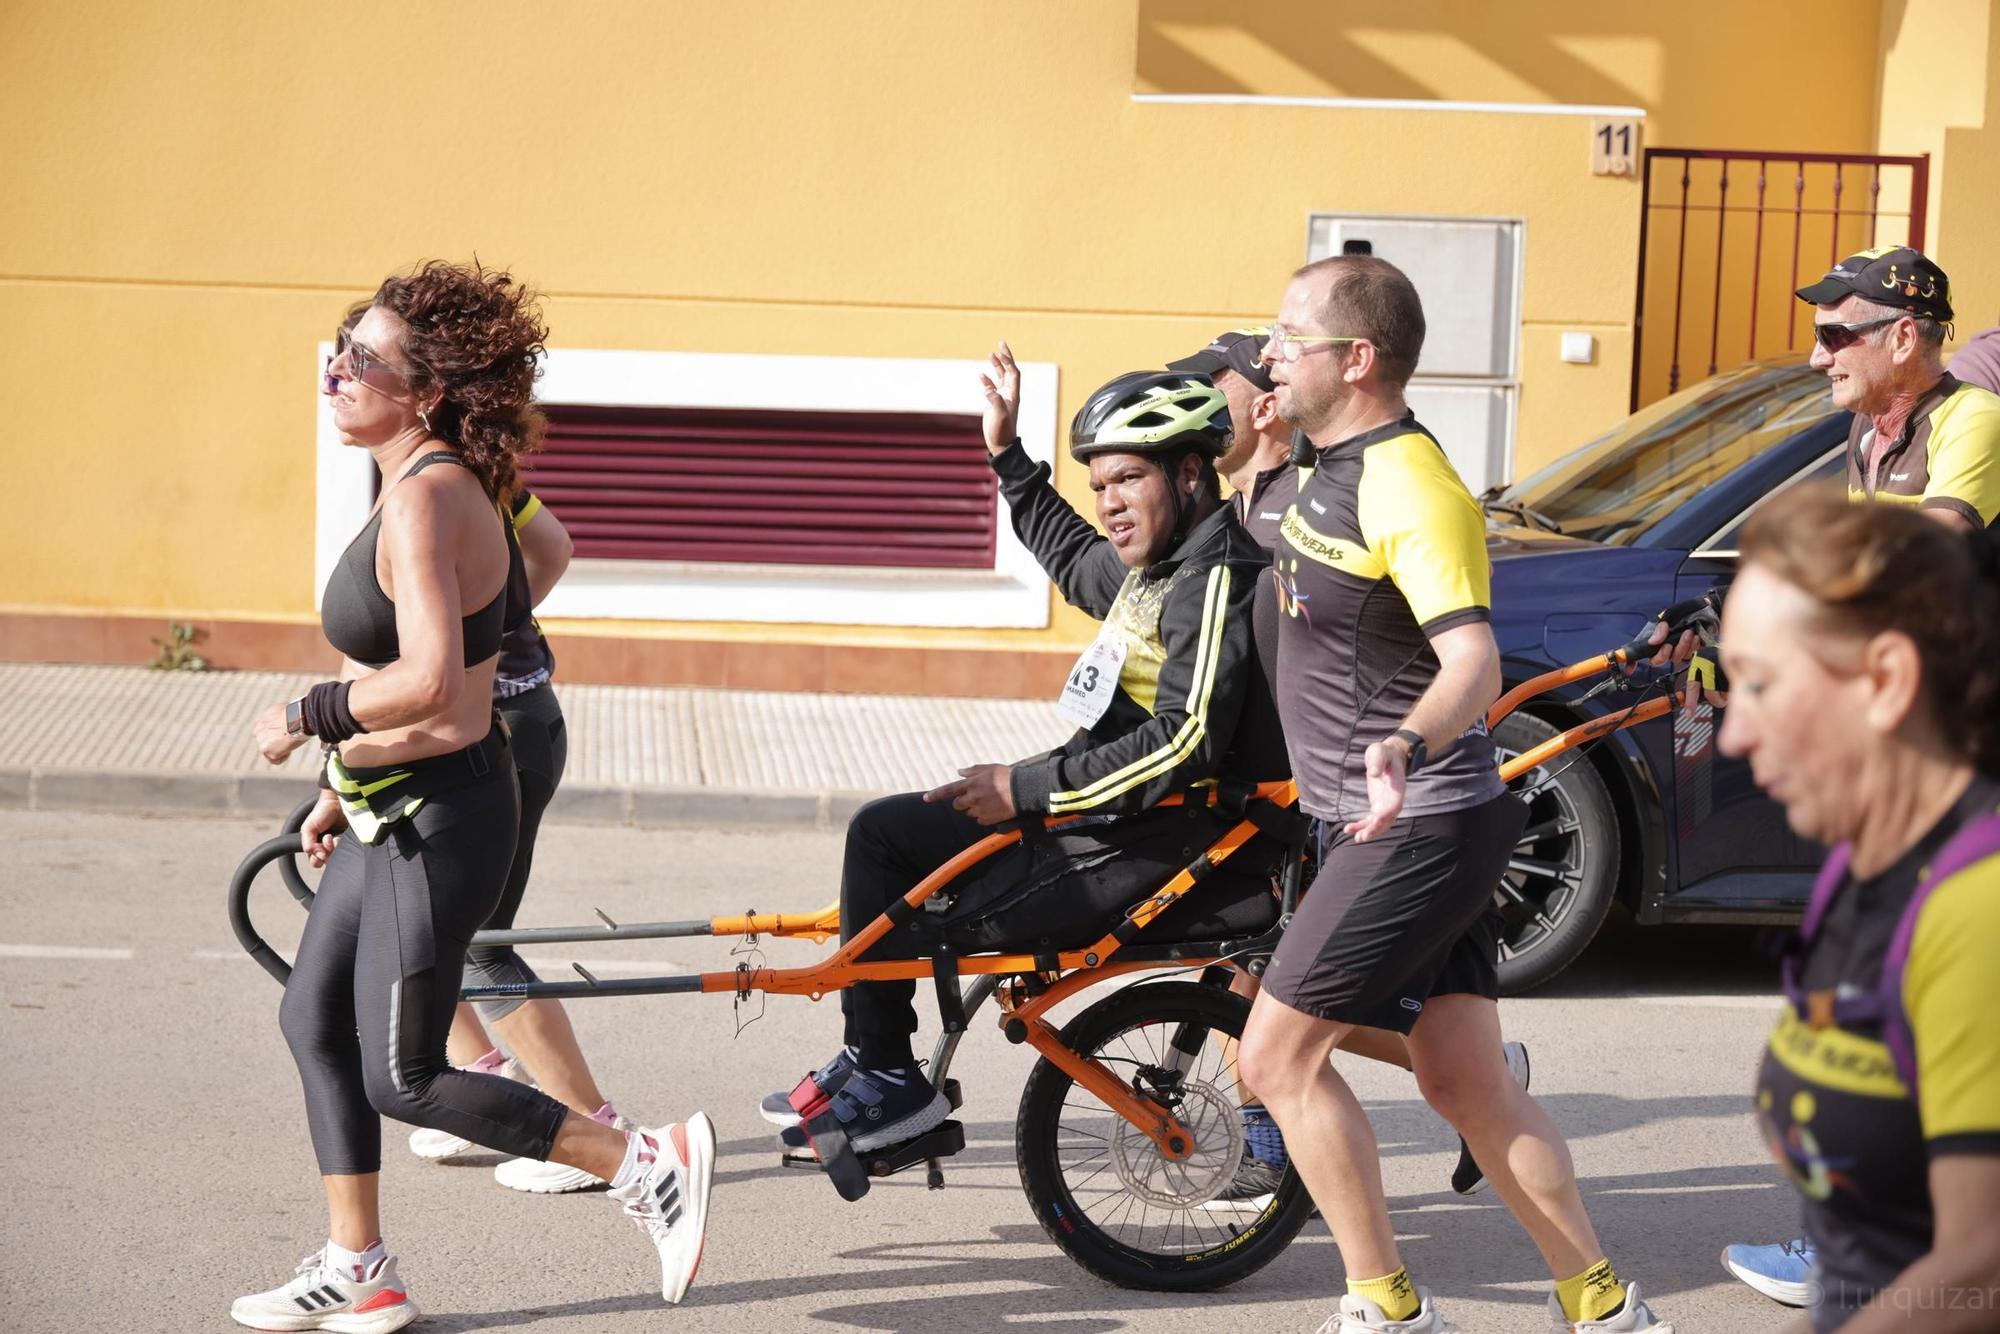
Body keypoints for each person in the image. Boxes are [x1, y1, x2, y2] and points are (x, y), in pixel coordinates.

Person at [242, 262, 711, 1329]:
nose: (337, 369)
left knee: (404, 1074)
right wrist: (337, 781)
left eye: (364, 358)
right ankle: (357, 1263)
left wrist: (309, 717)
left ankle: (641, 1159)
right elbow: (450, 688)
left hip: (439, 816)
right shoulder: (424, 481)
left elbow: (436, 700)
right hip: (392, 802)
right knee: (313, 1018)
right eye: (338, 345)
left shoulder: (428, 495)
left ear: (428, 392)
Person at [1234, 255, 1672, 1333]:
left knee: (1274, 1056)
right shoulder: (1320, 466)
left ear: (1359, 358)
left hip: (1415, 820)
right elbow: (1280, 544)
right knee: (1466, 1083)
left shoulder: (1406, 480)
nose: (1268, 351)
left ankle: (1383, 1305)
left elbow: (1470, 659)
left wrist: (1402, 742)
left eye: (1291, 335)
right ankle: (1603, 1304)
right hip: (1406, 822)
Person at [759, 351, 1290, 1153]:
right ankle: (881, 1063)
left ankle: (888, 1080)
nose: (1109, 503)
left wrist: (1026, 787)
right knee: (887, 835)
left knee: (925, 893)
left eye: (1125, 481)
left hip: (1160, 841)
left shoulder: (1215, 578)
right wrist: (1008, 457)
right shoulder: (1162, 566)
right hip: (1108, 816)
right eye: (1099, 486)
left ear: (1188, 475)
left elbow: (1185, 740)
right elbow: (1079, 564)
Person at [1167, 327, 1531, 1206]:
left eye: (1207, 391)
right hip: (1302, 787)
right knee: (1253, 981)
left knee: (1257, 995)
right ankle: (1576, 1286)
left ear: (1263, 405)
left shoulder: (1315, 492)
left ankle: (1325, 1212)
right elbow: (1112, 571)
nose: (1191, 412)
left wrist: (1402, 744)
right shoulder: (1243, 503)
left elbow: (1464, 654)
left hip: (1358, 800)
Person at [1721, 253, 2000, 1305]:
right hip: (1886, 748)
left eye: (1838, 334)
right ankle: (1847, 1230)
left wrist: (1808, 559)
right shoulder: (1862, 432)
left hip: (1960, 751)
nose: (1814, 354)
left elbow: (1939, 533)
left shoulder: (1963, 418)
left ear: (1904, 334)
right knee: (1849, 1018)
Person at [1800, 247, 2000, 530]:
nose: (1817, 359)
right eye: (1817, 335)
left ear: (1903, 340)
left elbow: (1920, 558)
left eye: (1833, 334)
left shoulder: (1975, 419)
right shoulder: (1867, 422)